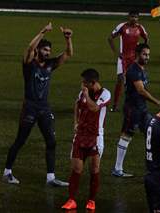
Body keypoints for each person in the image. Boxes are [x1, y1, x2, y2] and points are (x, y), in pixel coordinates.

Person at [2, 22, 73, 186]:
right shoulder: (29, 65)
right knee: (20, 140)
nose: (47, 53)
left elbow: (68, 54)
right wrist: (42, 31)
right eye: (44, 50)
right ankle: (7, 172)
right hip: (30, 107)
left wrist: (68, 39)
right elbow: (29, 48)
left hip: (44, 108)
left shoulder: (50, 65)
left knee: (51, 142)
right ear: (38, 50)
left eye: (49, 51)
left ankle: (50, 178)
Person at [61, 69, 111, 210]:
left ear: (93, 83)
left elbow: (94, 108)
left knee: (94, 169)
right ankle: (71, 200)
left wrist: (86, 94)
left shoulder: (105, 94)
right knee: (76, 169)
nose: (82, 84)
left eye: (85, 82)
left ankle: (91, 200)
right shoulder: (83, 93)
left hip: (96, 137)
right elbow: (77, 105)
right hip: (81, 135)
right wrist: (75, 122)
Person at [112, 43, 160, 177]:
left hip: (142, 109)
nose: (147, 57)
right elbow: (141, 90)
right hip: (132, 109)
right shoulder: (134, 70)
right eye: (145, 54)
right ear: (137, 54)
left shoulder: (142, 69)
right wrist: (157, 102)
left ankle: (154, 166)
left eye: (148, 55)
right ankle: (117, 168)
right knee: (127, 135)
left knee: (153, 133)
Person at [108, 10, 148, 112]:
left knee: (137, 82)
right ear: (128, 17)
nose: (134, 19)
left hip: (135, 59)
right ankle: (115, 105)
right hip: (123, 58)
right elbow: (110, 38)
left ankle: (137, 104)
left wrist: (141, 50)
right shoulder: (122, 26)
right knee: (120, 80)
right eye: (132, 16)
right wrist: (117, 53)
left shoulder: (140, 28)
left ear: (138, 18)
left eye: (136, 17)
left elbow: (146, 38)